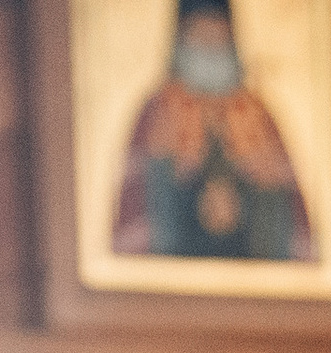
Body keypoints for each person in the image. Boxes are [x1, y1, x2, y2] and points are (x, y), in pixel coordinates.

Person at [112, 2, 314, 264]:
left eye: (218, 35)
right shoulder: (158, 111)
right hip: (173, 278)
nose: (209, 46)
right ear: (180, 40)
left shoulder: (257, 114)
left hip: (253, 279)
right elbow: (138, 205)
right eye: (199, 35)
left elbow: (288, 215)